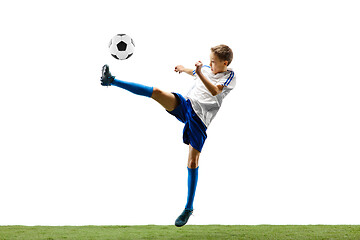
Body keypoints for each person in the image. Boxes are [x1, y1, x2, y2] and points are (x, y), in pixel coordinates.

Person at [100, 44, 236, 227]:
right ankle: (111, 81)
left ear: (224, 63)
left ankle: (188, 207)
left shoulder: (229, 77)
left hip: (200, 120)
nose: (210, 64)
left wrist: (200, 72)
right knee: (156, 92)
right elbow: (195, 71)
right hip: (187, 105)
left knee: (193, 162)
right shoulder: (205, 68)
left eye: (213, 62)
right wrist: (184, 69)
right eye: (210, 60)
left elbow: (214, 91)